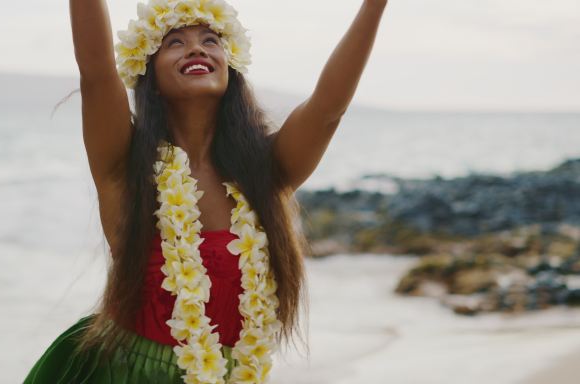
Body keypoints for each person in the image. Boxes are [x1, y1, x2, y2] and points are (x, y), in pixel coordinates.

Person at [24, 0, 387, 383]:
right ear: (150, 73)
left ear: (230, 65)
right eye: (175, 42)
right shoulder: (126, 166)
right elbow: (96, 72)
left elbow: (329, 108)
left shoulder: (264, 171)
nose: (197, 48)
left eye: (210, 40)